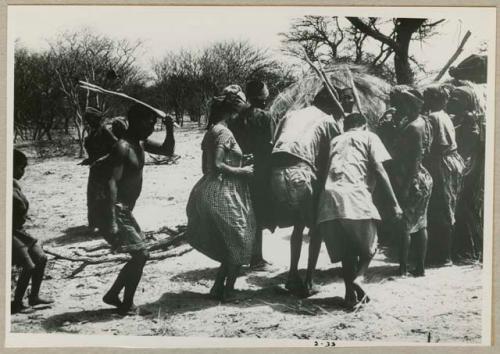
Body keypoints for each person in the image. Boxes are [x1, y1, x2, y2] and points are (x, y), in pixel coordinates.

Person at [316, 113, 402, 309]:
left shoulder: (336, 139)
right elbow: (379, 170)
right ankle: (360, 277)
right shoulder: (370, 136)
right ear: (364, 125)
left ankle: (349, 296)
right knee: (372, 244)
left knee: (347, 249)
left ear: (345, 126)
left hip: (329, 194)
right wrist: (394, 203)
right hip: (354, 193)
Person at [100, 103, 175, 316]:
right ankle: (126, 304)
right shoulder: (122, 148)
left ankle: (114, 296)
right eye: (149, 123)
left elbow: (168, 151)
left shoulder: (140, 143)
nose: (152, 127)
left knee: (139, 255)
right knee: (141, 254)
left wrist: (169, 128)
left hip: (125, 211)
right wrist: (112, 221)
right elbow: (111, 183)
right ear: (136, 122)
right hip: (116, 210)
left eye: (154, 123)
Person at [270, 86, 342, 297]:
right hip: (300, 172)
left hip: (276, 173)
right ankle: (308, 281)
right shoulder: (328, 120)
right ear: (331, 105)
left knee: (298, 225)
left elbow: (276, 143)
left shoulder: (291, 114)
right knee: (316, 226)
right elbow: (333, 154)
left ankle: (292, 275)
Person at [186, 85, 256, 302]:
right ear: (232, 110)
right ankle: (228, 290)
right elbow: (216, 165)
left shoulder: (212, 131)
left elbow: (206, 167)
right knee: (241, 238)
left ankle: (218, 287)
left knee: (231, 242)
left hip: (209, 188)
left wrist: (238, 161)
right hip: (224, 191)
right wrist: (241, 170)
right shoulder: (224, 132)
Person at [228, 80, 274, 271]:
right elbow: (271, 145)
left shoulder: (234, 119)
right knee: (258, 215)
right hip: (260, 171)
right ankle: (256, 257)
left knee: (241, 214)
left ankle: (238, 257)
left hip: (239, 170)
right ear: (263, 99)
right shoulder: (265, 117)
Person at [389, 87, 433, 276]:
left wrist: (406, 186)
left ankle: (403, 268)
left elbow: (414, 159)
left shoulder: (414, 127)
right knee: (421, 222)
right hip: (421, 177)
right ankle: (419, 267)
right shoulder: (422, 122)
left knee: (405, 225)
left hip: (412, 178)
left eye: (401, 104)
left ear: (409, 104)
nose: (398, 108)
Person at [423, 86, 465, 265]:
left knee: (441, 208)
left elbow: (438, 144)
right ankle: (445, 253)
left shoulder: (433, 117)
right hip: (452, 161)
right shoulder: (444, 115)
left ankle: (443, 256)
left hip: (442, 163)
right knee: (448, 206)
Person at [11, 149, 53, 314]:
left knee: (41, 258)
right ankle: (17, 302)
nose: (22, 172)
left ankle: (34, 297)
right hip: (8, 231)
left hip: (19, 230)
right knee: (28, 265)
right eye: (21, 168)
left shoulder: (13, 183)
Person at [446, 86, 484, 260]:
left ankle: (470, 248)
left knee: (463, 205)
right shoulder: (459, 117)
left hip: (468, 164)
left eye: (456, 99)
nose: (452, 101)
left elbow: (472, 139)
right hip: (464, 162)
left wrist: (462, 158)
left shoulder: (469, 117)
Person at [82, 107, 127, 232]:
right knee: (92, 197)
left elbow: (116, 149)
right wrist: (88, 160)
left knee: (106, 198)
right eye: (87, 119)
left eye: (91, 119)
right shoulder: (92, 132)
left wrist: (103, 159)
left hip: (106, 169)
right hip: (95, 169)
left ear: (97, 119)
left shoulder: (105, 131)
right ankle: (94, 224)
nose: (89, 121)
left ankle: (110, 225)